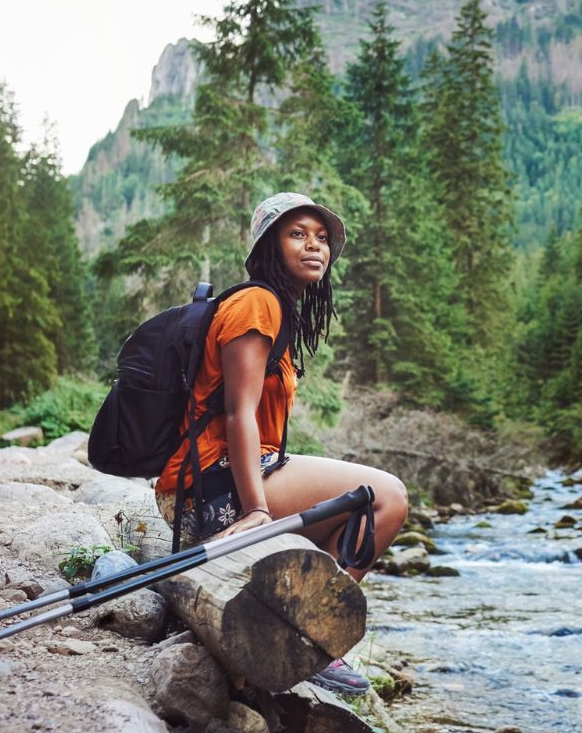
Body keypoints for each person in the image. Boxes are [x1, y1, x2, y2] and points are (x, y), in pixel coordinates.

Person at [153, 192, 409, 695]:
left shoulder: (276, 308)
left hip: (220, 481)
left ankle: (298, 632)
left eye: (321, 238)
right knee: (388, 498)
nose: (315, 246)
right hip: (212, 491)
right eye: (297, 234)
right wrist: (256, 510)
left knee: (366, 500)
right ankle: (315, 636)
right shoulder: (258, 302)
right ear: (269, 245)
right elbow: (237, 412)